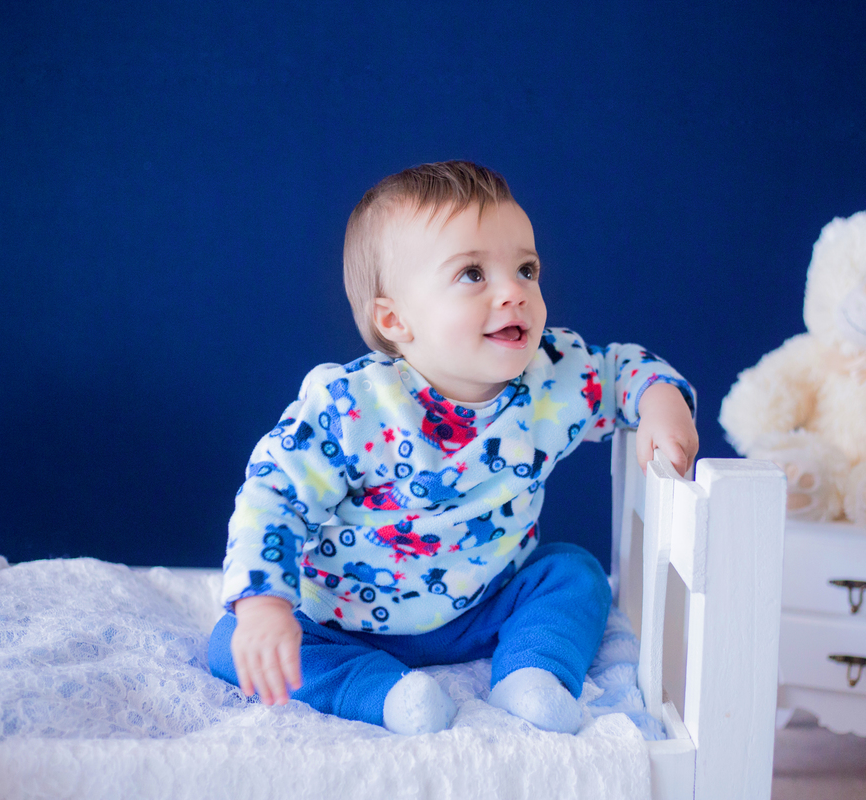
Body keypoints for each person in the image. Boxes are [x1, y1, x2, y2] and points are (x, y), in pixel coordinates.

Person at [208, 161, 698, 735]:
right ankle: (383, 692)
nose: (514, 291)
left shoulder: (553, 377)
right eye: (472, 274)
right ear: (395, 319)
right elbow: (274, 493)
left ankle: (533, 672)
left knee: (574, 572)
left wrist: (661, 399)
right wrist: (264, 604)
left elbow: (621, 371)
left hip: (487, 604)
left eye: (526, 268)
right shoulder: (352, 406)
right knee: (230, 643)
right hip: (346, 618)